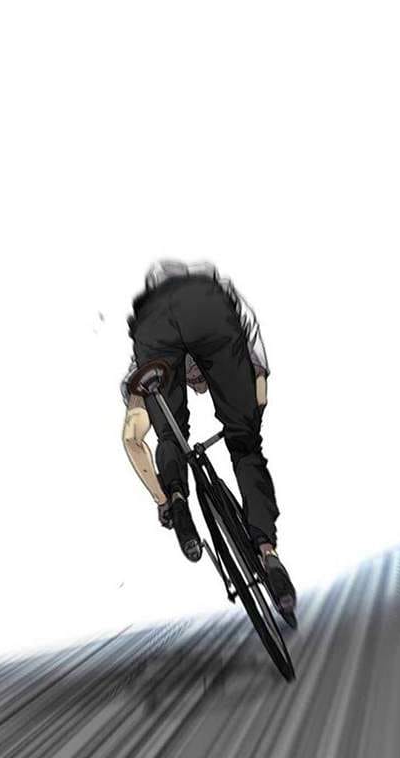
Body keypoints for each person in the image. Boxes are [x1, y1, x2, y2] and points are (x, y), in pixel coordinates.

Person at [121, 260, 297, 626]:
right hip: (209, 310)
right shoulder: (216, 289)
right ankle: (268, 553)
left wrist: (162, 498)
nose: (198, 384)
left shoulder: (146, 324)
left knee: (170, 435)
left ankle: (179, 498)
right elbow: (256, 359)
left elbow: (132, 415)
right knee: (245, 445)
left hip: (152, 331)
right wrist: (250, 417)